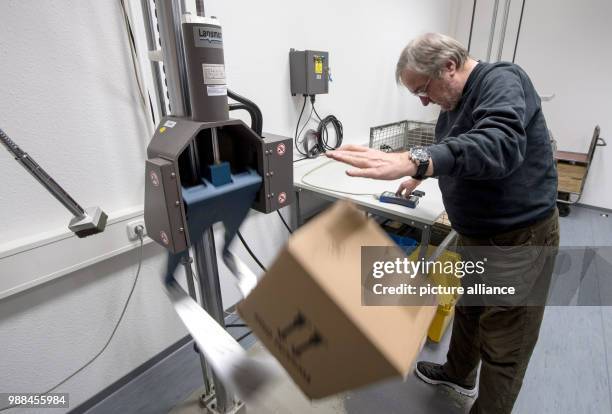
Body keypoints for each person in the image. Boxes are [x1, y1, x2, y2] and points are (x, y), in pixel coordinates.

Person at [326, 33, 559, 414]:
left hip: (519, 236)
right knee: (469, 309)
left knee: (506, 342)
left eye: (423, 89)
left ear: (449, 66)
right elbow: (459, 149)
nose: (422, 100)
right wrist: (422, 176)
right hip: (477, 232)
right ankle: (458, 374)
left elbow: (497, 144)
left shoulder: (502, 80)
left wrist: (416, 160)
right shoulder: (453, 100)